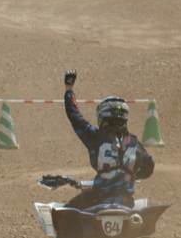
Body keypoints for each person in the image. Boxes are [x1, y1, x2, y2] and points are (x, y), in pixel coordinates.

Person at [63, 69, 154, 210]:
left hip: (98, 198)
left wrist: (69, 88)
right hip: (125, 201)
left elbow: (74, 115)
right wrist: (135, 175)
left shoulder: (95, 137)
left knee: (66, 212)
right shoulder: (135, 143)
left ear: (102, 115)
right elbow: (149, 165)